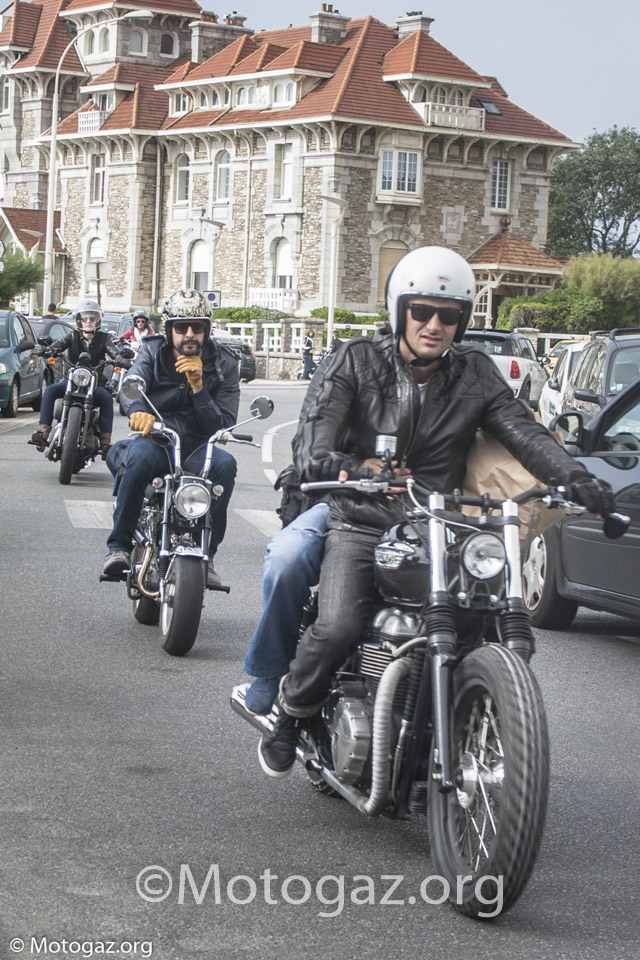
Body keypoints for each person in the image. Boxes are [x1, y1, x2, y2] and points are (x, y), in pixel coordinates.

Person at [255, 245, 615, 778]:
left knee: (485, 619)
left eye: (449, 315)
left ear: (462, 321)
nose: (434, 325)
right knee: (338, 625)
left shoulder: (475, 373)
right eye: (421, 311)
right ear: (399, 310)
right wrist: (353, 467)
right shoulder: (356, 359)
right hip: (361, 518)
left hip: (441, 524)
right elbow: (313, 442)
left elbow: (525, 432)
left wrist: (576, 478)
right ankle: (291, 712)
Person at [102, 289, 240, 587]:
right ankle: (119, 547)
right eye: (181, 327)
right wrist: (137, 410)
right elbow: (131, 384)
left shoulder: (224, 363)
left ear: (207, 329)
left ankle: (207, 556)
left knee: (225, 465)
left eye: (197, 327)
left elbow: (223, 424)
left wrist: (199, 387)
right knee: (139, 458)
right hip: (158, 439)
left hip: (199, 445)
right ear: (168, 329)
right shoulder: (153, 351)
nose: (189, 334)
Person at [30, 299, 128, 456]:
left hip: (94, 384)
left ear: (98, 320)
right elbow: (59, 345)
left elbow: (114, 352)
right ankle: (43, 431)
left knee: (106, 398)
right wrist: (49, 350)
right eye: (85, 318)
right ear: (79, 320)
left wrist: (121, 360)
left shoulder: (104, 338)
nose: (88, 321)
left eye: (92, 318)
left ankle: (105, 439)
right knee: (50, 390)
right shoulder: (72, 336)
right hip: (72, 381)